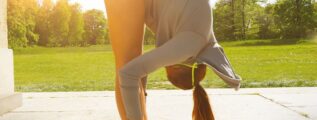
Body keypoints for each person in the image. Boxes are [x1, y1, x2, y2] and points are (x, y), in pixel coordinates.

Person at [116, 0, 242, 120]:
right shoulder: (185, 48)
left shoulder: (205, 43)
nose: (163, 64)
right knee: (127, 60)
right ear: (176, 65)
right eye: (166, 66)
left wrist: (143, 94)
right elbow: (128, 73)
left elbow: (143, 66)